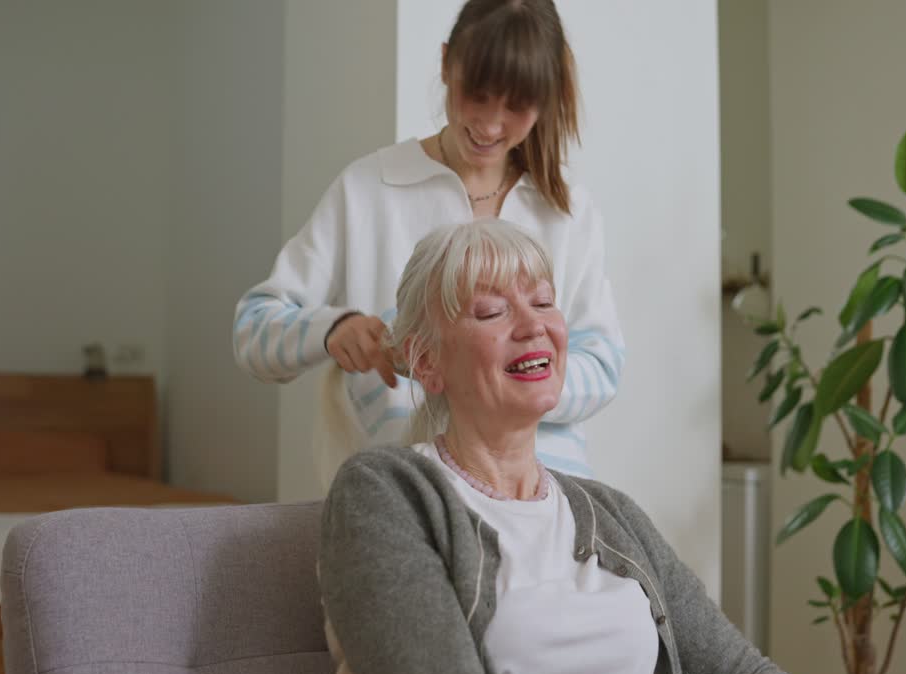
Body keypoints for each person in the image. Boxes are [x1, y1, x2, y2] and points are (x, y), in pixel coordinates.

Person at [318, 219, 816, 674]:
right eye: (492, 311)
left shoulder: (612, 514)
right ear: (427, 363)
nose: (534, 326)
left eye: (542, 302)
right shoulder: (386, 494)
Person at [232, 0, 623, 485]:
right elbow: (253, 331)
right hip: (414, 495)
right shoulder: (368, 189)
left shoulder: (566, 210)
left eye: (517, 106)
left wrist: (501, 380)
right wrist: (333, 330)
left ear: (545, 101)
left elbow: (603, 366)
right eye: (477, 94)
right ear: (445, 65)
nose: (491, 124)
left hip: (550, 490)